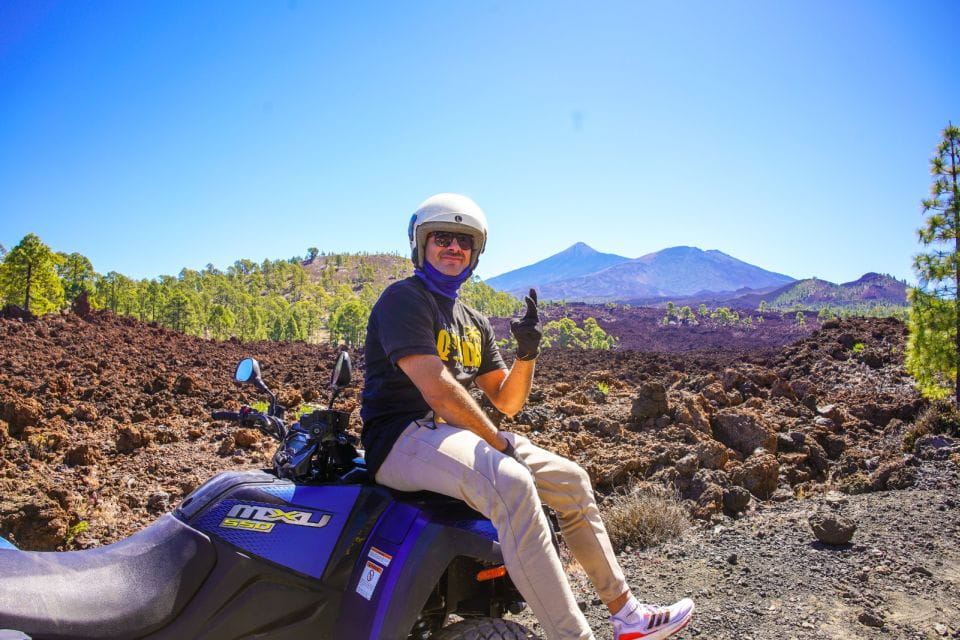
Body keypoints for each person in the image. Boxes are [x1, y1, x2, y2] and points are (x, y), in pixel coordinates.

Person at [360, 193, 694, 640]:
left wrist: (527, 353)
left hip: (456, 436)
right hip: (401, 438)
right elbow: (438, 390)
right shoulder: (403, 299)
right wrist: (498, 443)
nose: (453, 247)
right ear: (420, 244)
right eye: (442, 237)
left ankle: (627, 615)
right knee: (512, 483)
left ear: (476, 253)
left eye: (464, 240)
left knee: (572, 481)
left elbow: (506, 400)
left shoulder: (472, 321)